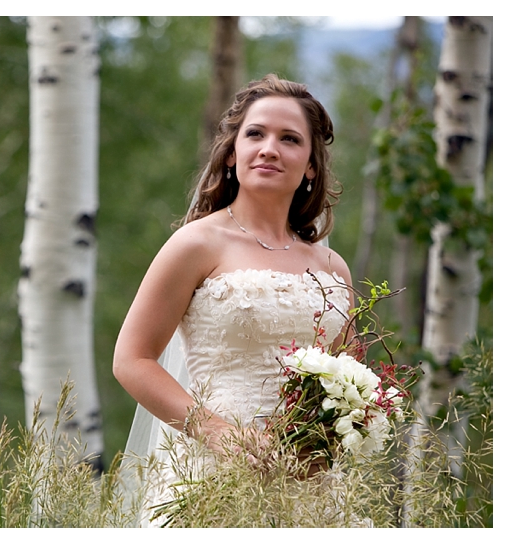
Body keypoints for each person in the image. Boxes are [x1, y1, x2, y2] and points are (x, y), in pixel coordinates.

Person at [112, 74, 356, 526]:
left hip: (312, 486)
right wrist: (220, 434)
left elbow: (349, 381)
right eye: (256, 134)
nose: (269, 148)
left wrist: (334, 439)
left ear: (310, 167)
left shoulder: (332, 267)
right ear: (231, 153)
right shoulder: (196, 245)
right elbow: (131, 360)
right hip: (214, 472)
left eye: (289, 139)